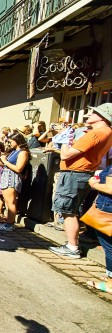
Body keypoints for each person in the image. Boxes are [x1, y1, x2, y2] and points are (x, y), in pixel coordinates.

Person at [49, 103, 112, 259]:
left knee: (67, 210)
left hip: (75, 173)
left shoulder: (96, 133)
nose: (89, 114)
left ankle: (72, 247)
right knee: (71, 209)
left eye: (94, 112)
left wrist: (65, 139)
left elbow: (66, 155)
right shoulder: (106, 132)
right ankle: (73, 244)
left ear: (102, 116)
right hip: (83, 172)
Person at [0, 131, 31, 232]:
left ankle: (10, 224)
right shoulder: (13, 151)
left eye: (11, 141)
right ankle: (8, 222)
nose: (9, 143)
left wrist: (5, 161)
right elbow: (3, 165)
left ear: (17, 141)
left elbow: (18, 168)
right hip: (6, 175)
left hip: (12, 177)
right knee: (8, 202)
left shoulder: (23, 152)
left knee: (11, 202)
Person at [85, 160, 112, 294]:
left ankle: (110, 284)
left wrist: (94, 183)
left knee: (110, 248)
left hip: (108, 209)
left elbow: (110, 188)